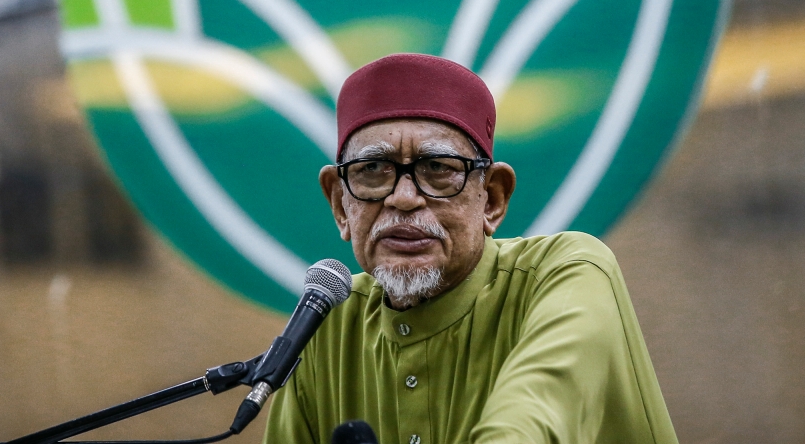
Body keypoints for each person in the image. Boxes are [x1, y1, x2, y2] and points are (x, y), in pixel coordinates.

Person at [263, 53, 678, 444]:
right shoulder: (326, 326)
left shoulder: (567, 272)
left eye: (439, 169)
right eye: (373, 170)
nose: (404, 198)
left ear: (492, 199)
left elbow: (533, 415)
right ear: (340, 205)